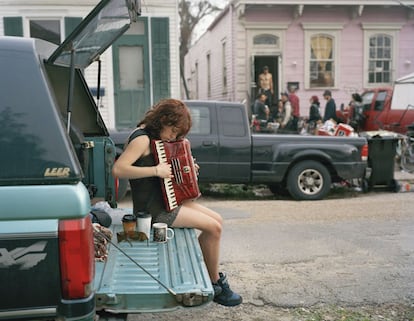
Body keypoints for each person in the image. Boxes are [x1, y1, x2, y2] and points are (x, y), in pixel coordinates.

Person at [112, 99, 242, 307]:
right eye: (173, 131)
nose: (174, 137)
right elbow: (118, 169)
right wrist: (155, 170)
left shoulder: (154, 136)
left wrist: (187, 168)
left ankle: (206, 274)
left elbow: (168, 170)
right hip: (154, 211)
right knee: (214, 228)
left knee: (217, 220)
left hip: (166, 200)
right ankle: (215, 282)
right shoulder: (142, 139)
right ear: (163, 120)